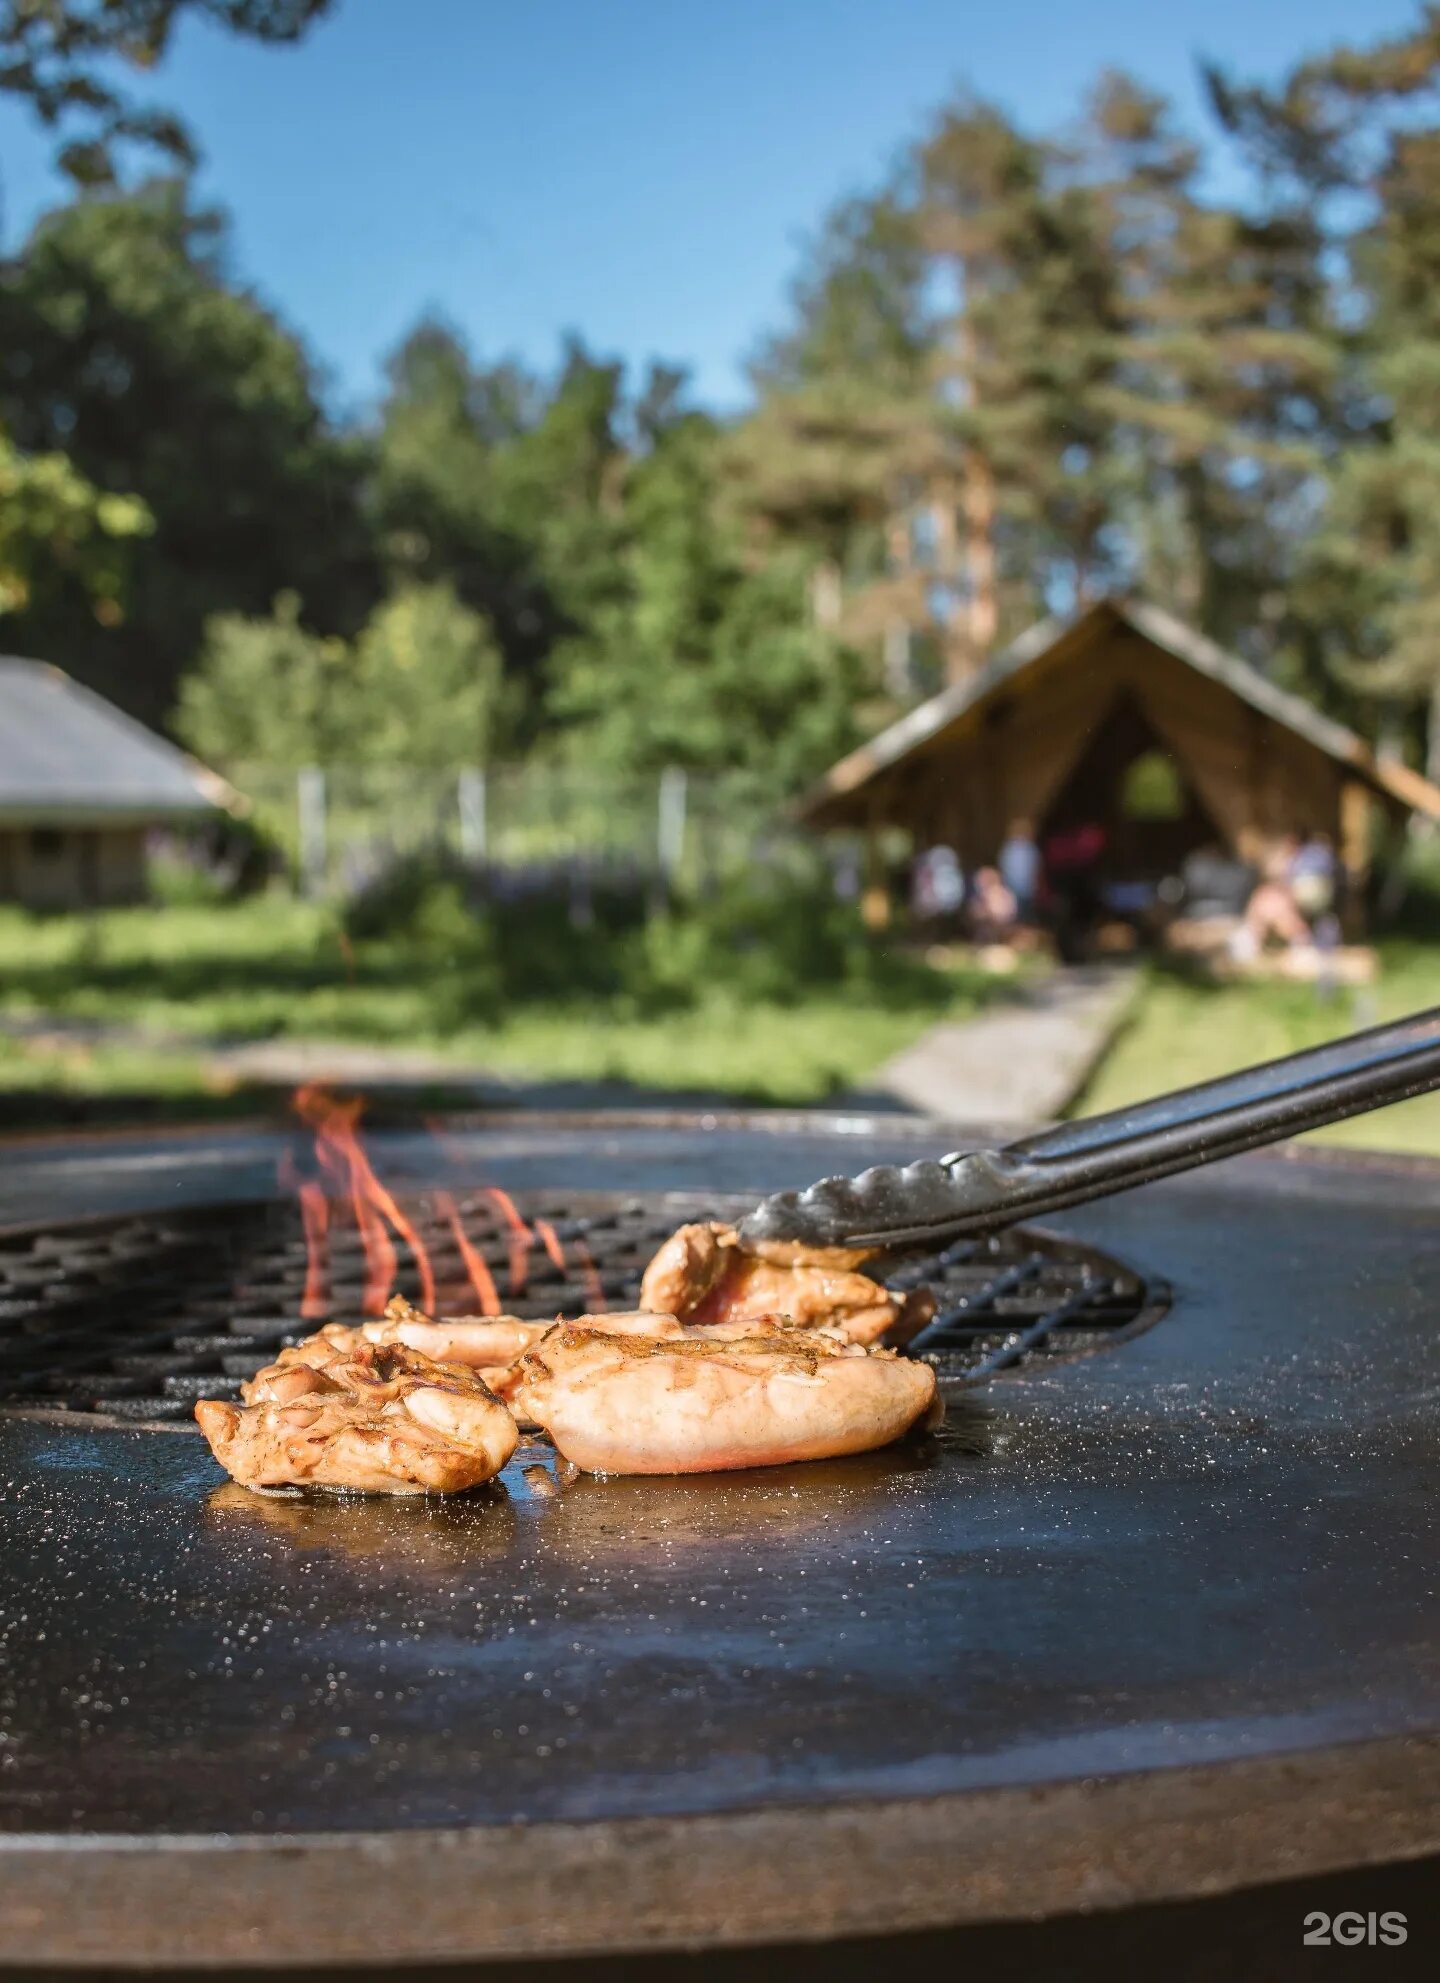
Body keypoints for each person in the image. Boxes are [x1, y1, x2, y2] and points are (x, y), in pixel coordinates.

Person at [998, 818, 1042, 925]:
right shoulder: (1010, 849)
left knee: (1026, 913)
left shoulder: (1030, 849)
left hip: (1028, 889)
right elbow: (1005, 868)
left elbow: (1036, 867)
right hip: (1014, 888)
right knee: (1015, 913)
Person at [968, 865, 1018, 945]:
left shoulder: (1002, 894)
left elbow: (1004, 914)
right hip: (986, 927)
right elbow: (973, 913)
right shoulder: (979, 896)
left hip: (1001, 927)